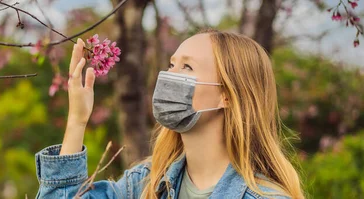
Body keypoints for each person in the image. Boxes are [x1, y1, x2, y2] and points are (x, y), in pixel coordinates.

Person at [34, 29, 305, 199]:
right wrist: (77, 120)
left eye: (187, 67)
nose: (168, 75)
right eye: (171, 63)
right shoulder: (144, 184)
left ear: (226, 95)